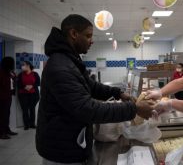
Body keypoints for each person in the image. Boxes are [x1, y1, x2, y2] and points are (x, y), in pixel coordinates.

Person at [36, 14, 154, 165]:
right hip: (61, 152)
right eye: (88, 36)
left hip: (71, 143)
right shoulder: (60, 66)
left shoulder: (70, 59)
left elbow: (92, 86)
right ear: (73, 34)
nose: (91, 41)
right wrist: (134, 109)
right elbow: (86, 109)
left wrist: (118, 93)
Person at [17, 61, 40, 130]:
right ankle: (26, 125)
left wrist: (32, 85)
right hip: (23, 94)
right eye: (22, 65)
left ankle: (32, 124)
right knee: (25, 110)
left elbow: (38, 82)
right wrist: (24, 87)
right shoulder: (20, 74)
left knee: (32, 109)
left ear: (28, 66)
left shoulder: (35, 74)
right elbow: (18, 84)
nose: (22, 66)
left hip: (33, 94)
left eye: (23, 65)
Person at [0, 57, 18, 139]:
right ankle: (1, 132)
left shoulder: (9, 72)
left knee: (7, 114)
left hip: (8, 96)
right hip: (2, 97)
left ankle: (7, 129)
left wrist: (14, 76)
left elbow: (13, 82)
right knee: (2, 115)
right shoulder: (1, 72)